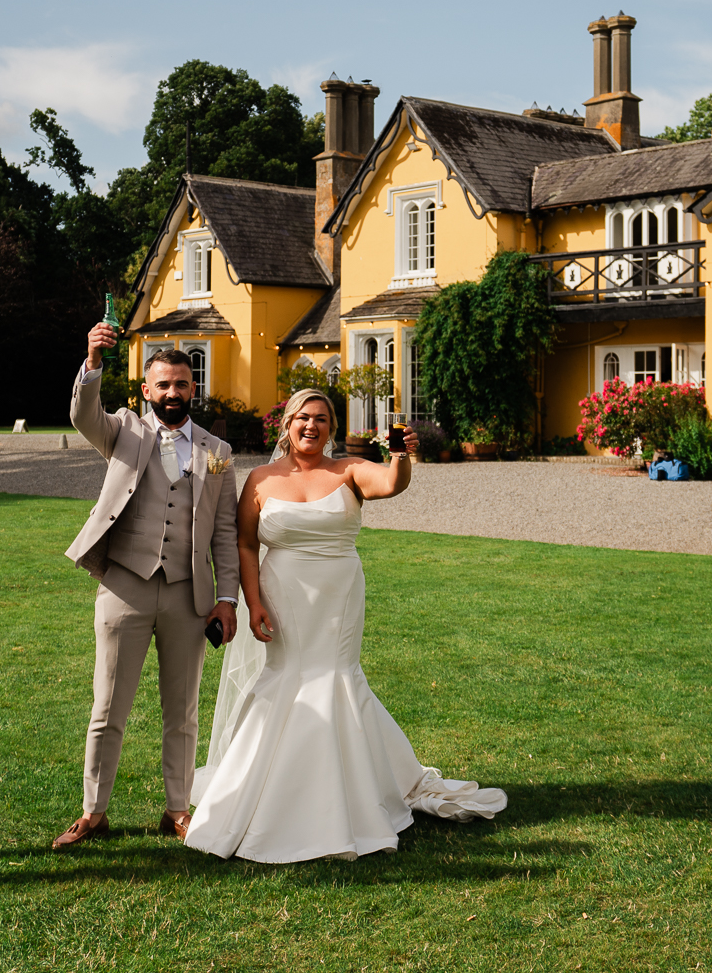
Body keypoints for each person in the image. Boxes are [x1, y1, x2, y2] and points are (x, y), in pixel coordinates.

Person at [183, 389, 506, 862]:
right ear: (287, 424)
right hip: (283, 592)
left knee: (337, 676)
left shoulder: (350, 471)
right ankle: (264, 792)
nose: (311, 426)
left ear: (332, 427)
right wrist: (253, 603)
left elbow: (392, 483)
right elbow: (246, 545)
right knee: (288, 675)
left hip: (339, 595)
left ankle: (354, 793)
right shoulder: (260, 479)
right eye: (303, 418)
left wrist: (401, 456)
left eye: (321, 419)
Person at [53, 325, 240, 849]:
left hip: (188, 595)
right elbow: (81, 415)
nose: (173, 393)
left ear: (192, 389)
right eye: (163, 385)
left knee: (181, 710)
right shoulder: (122, 432)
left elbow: (224, 533)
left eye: (182, 384)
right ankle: (94, 812)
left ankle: (178, 809)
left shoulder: (218, 450)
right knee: (108, 706)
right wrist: (92, 359)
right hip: (124, 588)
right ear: (145, 391)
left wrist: (226, 598)